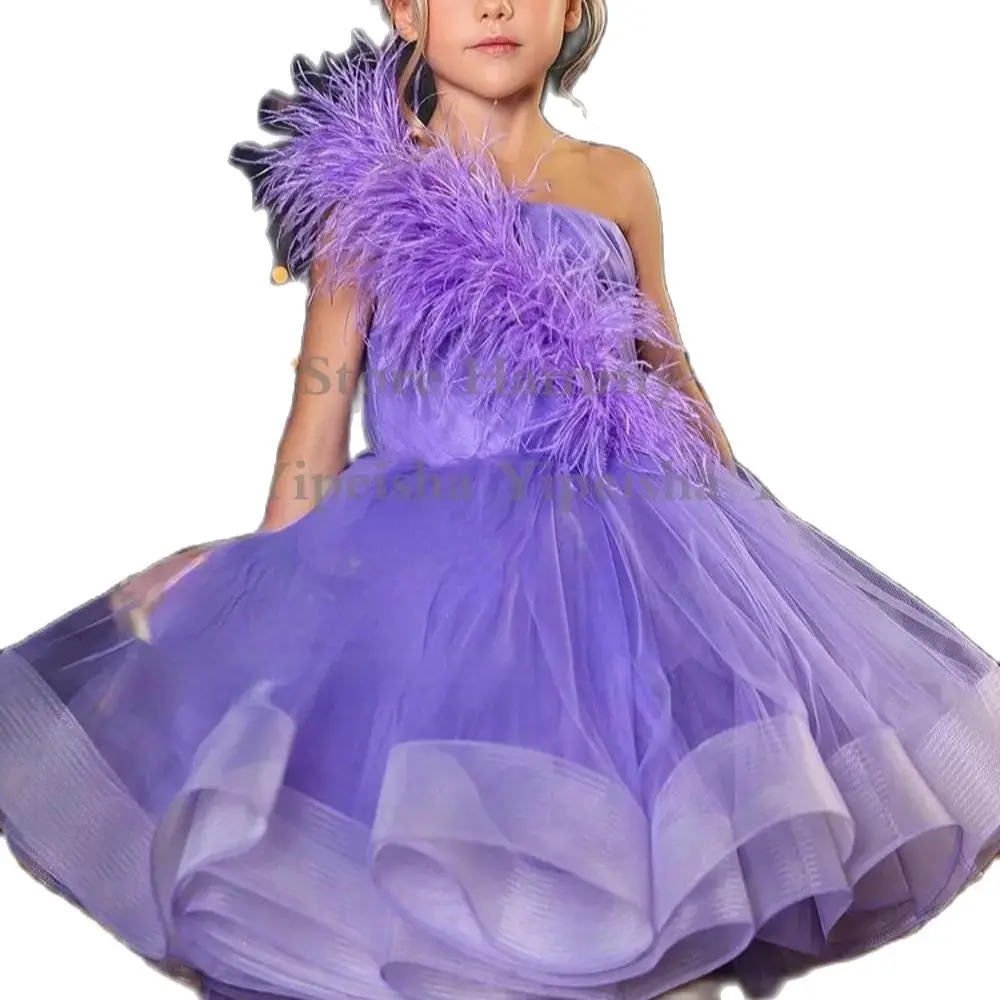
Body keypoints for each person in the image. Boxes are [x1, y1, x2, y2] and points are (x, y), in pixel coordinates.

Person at [0, 3, 997, 1000]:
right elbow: (318, 413)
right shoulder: (370, 197)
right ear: (405, 10)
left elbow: (671, 374)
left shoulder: (617, 181)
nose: (493, 7)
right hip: (429, 573)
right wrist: (262, 571)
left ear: (572, 9)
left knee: (637, 832)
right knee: (439, 839)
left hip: (628, 554)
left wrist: (752, 543)